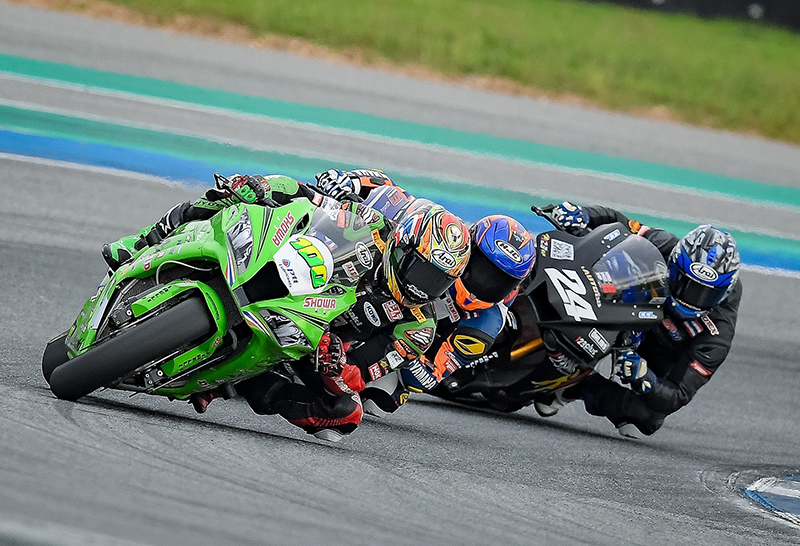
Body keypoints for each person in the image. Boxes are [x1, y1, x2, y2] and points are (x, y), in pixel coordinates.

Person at [102, 171, 471, 441]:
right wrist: (262, 186)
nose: (422, 286)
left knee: (345, 413)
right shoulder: (373, 224)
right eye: (421, 270)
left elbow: (361, 372)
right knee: (231, 196)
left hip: (312, 341)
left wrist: (336, 365)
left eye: (437, 281)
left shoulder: (418, 328)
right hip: (291, 274)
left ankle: (240, 381)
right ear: (404, 245)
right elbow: (306, 195)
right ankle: (142, 243)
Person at [313, 169, 538, 416]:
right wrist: (350, 181)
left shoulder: (486, 324)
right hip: (366, 284)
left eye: (500, 282)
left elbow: (430, 377)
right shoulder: (444, 237)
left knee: (380, 399)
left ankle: (337, 367)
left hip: (396, 336)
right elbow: (394, 194)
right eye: (483, 269)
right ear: (470, 247)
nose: (485, 283)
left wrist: (407, 350)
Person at [536, 202, 742, 438]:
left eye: (706, 294)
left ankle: (576, 386)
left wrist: (644, 377)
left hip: (663, 350)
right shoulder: (665, 244)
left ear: (724, 293)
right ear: (674, 262)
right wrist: (583, 214)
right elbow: (619, 224)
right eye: (684, 283)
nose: (690, 298)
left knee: (646, 418)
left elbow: (678, 395)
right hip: (631, 307)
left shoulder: (717, 334)